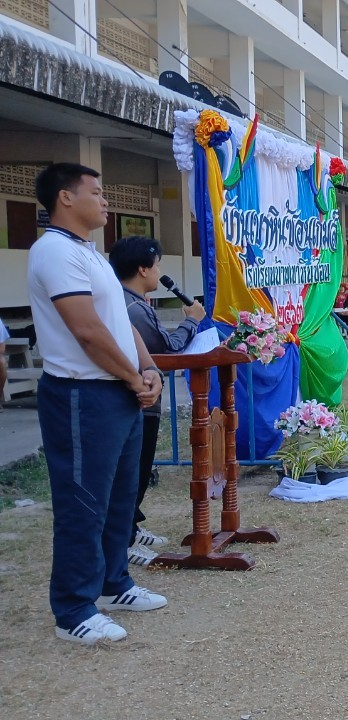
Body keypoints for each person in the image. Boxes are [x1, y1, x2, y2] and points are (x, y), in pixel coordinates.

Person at [29, 163, 168, 645]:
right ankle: (73, 609)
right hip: (82, 394)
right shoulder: (54, 251)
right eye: (97, 191)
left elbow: (119, 323)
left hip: (119, 391)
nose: (106, 200)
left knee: (118, 498)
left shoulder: (88, 254)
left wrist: (149, 368)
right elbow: (86, 331)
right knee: (83, 502)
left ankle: (113, 584)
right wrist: (133, 377)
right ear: (65, 198)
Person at [108, 235, 207, 567]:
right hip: (138, 400)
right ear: (142, 269)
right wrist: (192, 320)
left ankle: (131, 529)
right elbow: (168, 347)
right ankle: (123, 540)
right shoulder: (133, 308)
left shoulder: (129, 302)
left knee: (136, 472)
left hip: (139, 400)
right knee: (132, 475)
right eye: (157, 266)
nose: (159, 273)